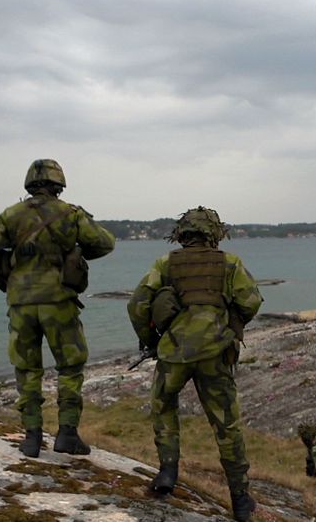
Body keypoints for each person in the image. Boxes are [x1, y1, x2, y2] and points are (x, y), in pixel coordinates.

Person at [127, 206, 263, 522]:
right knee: (226, 424)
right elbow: (251, 301)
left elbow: (137, 304)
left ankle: (167, 473)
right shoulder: (230, 263)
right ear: (214, 233)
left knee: (163, 407)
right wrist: (230, 324)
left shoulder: (166, 263)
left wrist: (151, 342)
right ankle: (240, 499)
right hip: (215, 354)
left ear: (182, 234)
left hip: (173, 353)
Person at [0, 159, 115, 458]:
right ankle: (67, 433)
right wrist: (76, 251)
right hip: (59, 302)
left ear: (29, 184)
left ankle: (31, 437)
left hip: (21, 304)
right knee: (70, 366)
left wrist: (11, 286)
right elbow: (105, 243)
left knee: (26, 368)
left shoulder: (9, 216)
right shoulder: (70, 214)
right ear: (59, 185)